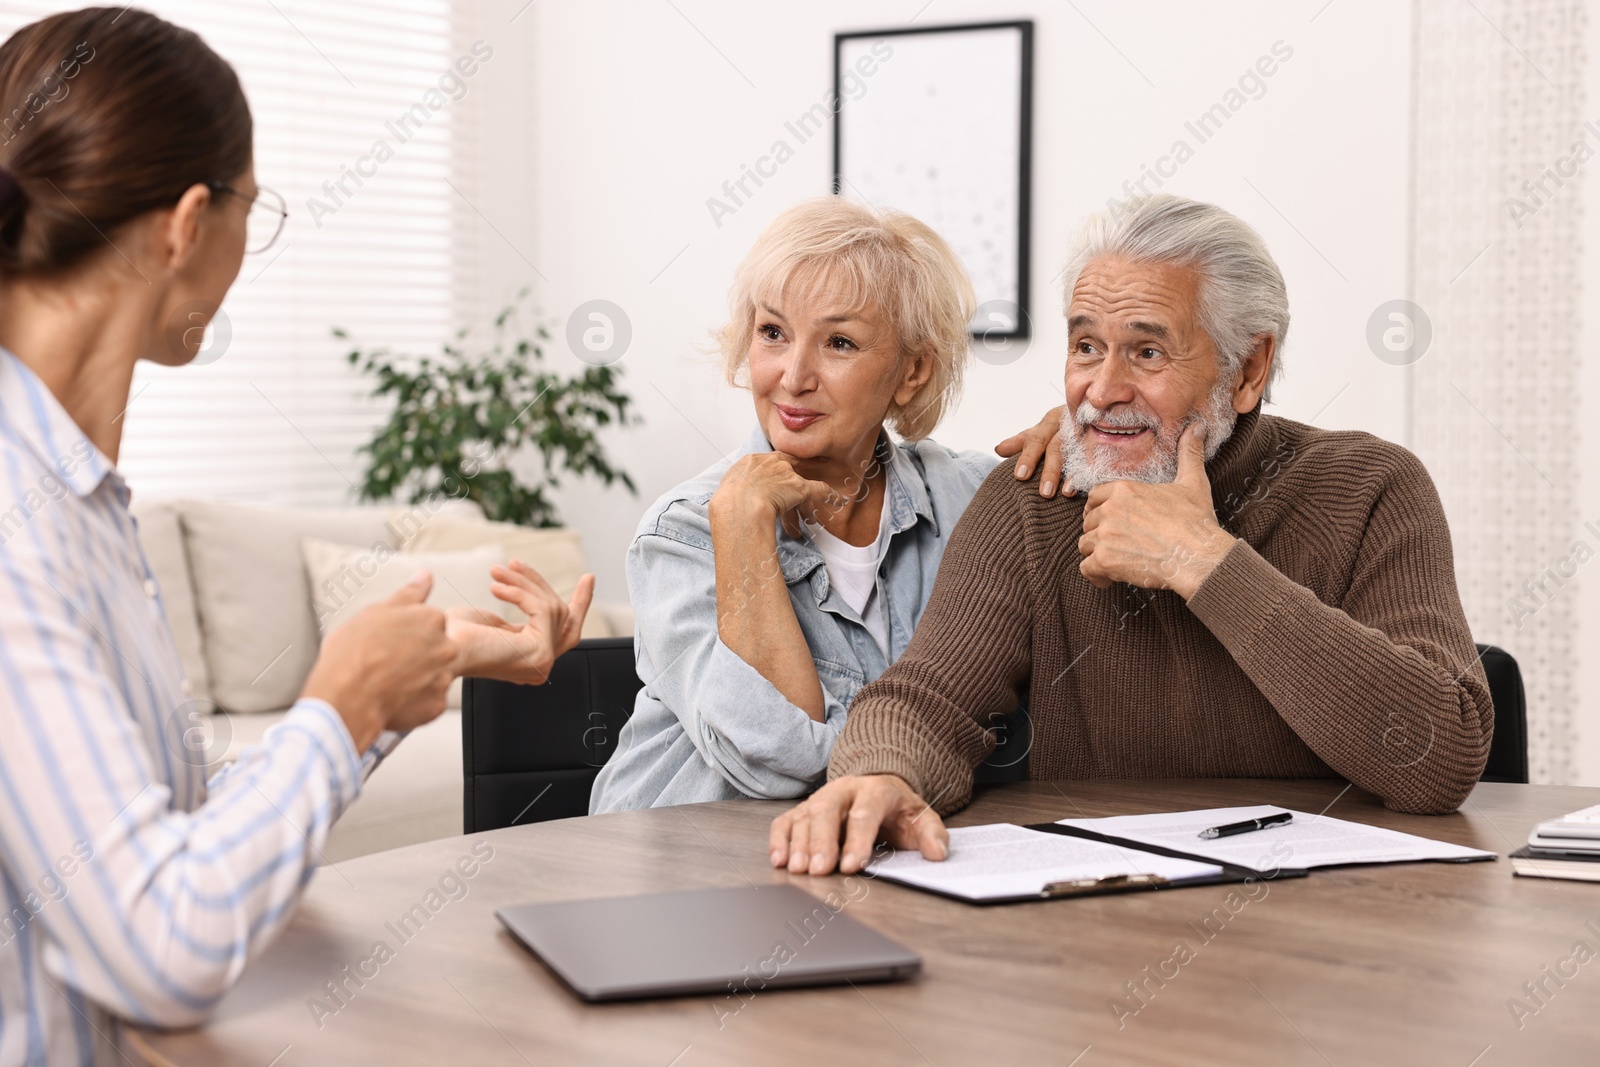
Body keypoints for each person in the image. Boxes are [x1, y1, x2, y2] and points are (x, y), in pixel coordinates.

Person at [0, 9, 588, 1062]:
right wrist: (340, 700)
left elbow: (164, 836)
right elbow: (157, 940)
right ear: (186, 223)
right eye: (251, 206)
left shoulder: (76, 502)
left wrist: (408, 672)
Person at [769, 194, 1495, 877]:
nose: (1103, 389)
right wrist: (880, 774)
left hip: (1332, 936)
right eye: (1086, 347)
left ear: (1249, 369)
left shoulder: (1373, 487)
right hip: (1105, 915)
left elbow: (1440, 753)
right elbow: (931, 699)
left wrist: (1206, 563)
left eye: (1147, 353)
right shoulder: (1036, 500)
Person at [589, 197, 1067, 812]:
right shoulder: (680, 533)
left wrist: (1090, 442)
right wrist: (742, 532)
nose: (793, 375)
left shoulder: (974, 499)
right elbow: (773, 763)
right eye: (772, 333)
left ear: (912, 372)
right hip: (688, 876)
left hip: (887, 872)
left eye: (839, 342)